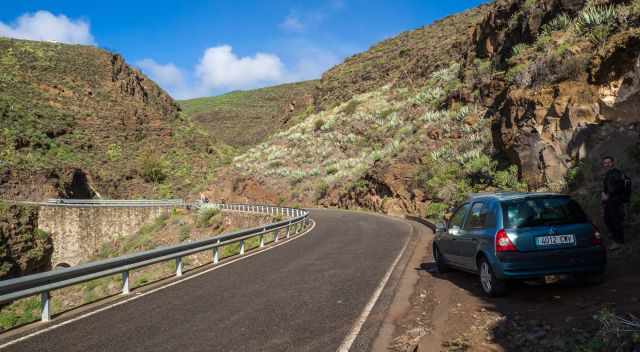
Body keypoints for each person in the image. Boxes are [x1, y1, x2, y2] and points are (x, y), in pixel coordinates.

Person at [601, 156, 626, 250]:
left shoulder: (616, 173)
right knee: (608, 219)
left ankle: (619, 241)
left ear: (613, 162)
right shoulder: (609, 173)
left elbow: (619, 186)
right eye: (605, 163)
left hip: (615, 200)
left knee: (615, 220)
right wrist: (603, 194)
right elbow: (607, 187)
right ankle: (615, 238)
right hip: (609, 201)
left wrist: (608, 195)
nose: (607, 164)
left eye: (608, 162)